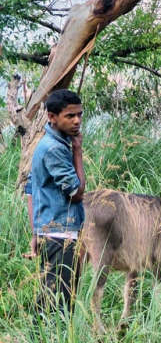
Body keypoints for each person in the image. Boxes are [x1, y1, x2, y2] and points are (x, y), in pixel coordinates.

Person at [27, 89, 86, 315]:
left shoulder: (51, 144)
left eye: (79, 114)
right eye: (70, 116)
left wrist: (36, 231)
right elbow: (77, 193)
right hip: (60, 233)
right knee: (58, 304)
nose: (77, 121)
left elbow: (32, 188)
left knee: (51, 297)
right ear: (52, 117)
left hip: (50, 231)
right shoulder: (55, 149)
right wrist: (78, 152)